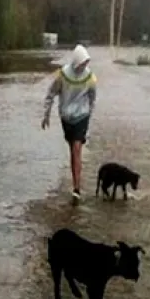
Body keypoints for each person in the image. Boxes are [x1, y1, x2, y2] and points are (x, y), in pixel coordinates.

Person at [41, 44, 97, 201]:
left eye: (86, 63)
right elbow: (51, 94)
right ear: (76, 62)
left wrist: (89, 113)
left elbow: (93, 97)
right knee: (72, 149)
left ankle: (77, 188)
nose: (84, 66)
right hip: (66, 117)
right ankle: (75, 181)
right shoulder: (63, 75)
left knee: (77, 148)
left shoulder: (90, 77)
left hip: (82, 116)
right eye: (82, 63)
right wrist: (46, 114)